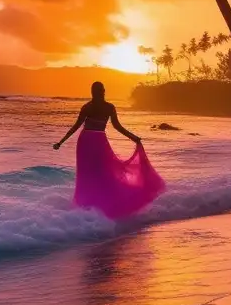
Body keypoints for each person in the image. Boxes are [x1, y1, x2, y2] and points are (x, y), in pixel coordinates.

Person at [53, 81, 165, 220]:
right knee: (100, 172)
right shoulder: (107, 107)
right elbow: (117, 127)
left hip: (87, 140)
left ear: (92, 92)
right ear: (103, 91)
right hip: (96, 140)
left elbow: (76, 126)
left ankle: (90, 206)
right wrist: (133, 137)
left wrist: (61, 142)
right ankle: (98, 205)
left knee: (90, 173)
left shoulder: (88, 107)